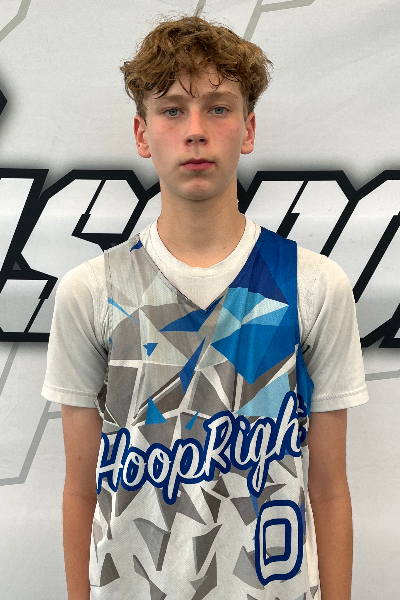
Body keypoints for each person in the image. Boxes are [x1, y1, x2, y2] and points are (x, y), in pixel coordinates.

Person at [42, 14, 369, 600]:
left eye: (218, 108)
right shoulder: (90, 291)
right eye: (172, 110)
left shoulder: (313, 285)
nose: (195, 131)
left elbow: (329, 489)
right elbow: (79, 490)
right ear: (143, 134)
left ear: (248, 128)